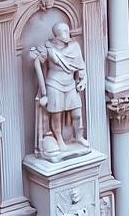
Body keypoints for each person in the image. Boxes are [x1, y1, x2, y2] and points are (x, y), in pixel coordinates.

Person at [31, 22, 89, 155]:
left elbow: (81, 67)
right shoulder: (48, 47)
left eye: (67, 31)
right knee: (56, 114)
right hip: (54, 83)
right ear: (56, 35)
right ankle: (59, 138)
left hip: (70, 83)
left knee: (77, 114)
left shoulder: (74, 47)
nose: (66, 34)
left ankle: (79, 136)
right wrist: (43, 92)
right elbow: (36, 62)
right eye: (63, 31)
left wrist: (83, 79)